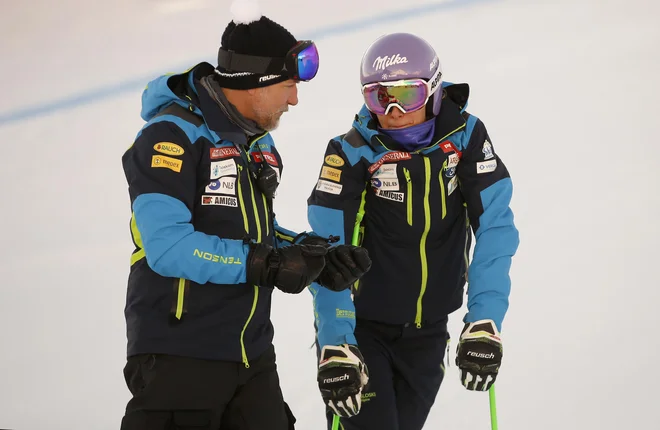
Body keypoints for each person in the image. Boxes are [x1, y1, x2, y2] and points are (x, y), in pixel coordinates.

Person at [119, 3, 372, 429]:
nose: (294, 98)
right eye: (288, 85)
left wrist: (313, 256)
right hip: (181, 356)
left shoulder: (255, 145)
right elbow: (167, 246)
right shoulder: (172, 137)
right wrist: (266, 264)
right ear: (255, 82)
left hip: (250, 357)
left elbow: (253, 233)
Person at [306, 32, 520, 430]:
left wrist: (484, 321)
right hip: (362, 331)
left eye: (407, 94)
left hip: (429, 331)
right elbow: (327, 252)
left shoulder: (467, 137)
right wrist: (336, 341)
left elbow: (495, 226)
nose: (392, 108)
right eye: (377, 96)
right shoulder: (351, 152)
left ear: (435, 90)